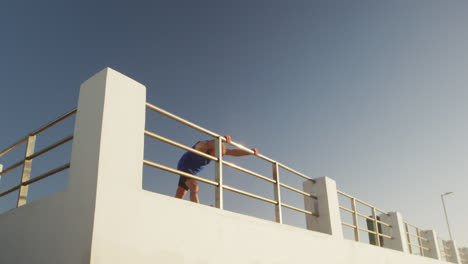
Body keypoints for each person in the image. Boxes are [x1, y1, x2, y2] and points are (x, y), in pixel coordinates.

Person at [175, 135, 258, 203]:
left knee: (181, 194)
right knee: (194, 187)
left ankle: (173, 208)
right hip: (185, 166)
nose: (216, 157)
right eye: (216, 154)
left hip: (193, 171)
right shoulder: (203, 146)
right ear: (214, 148)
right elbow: (202, 145)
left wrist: (249, 152)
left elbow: (234, 152)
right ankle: (197, 211)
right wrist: (220, 140)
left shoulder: (218, 149)